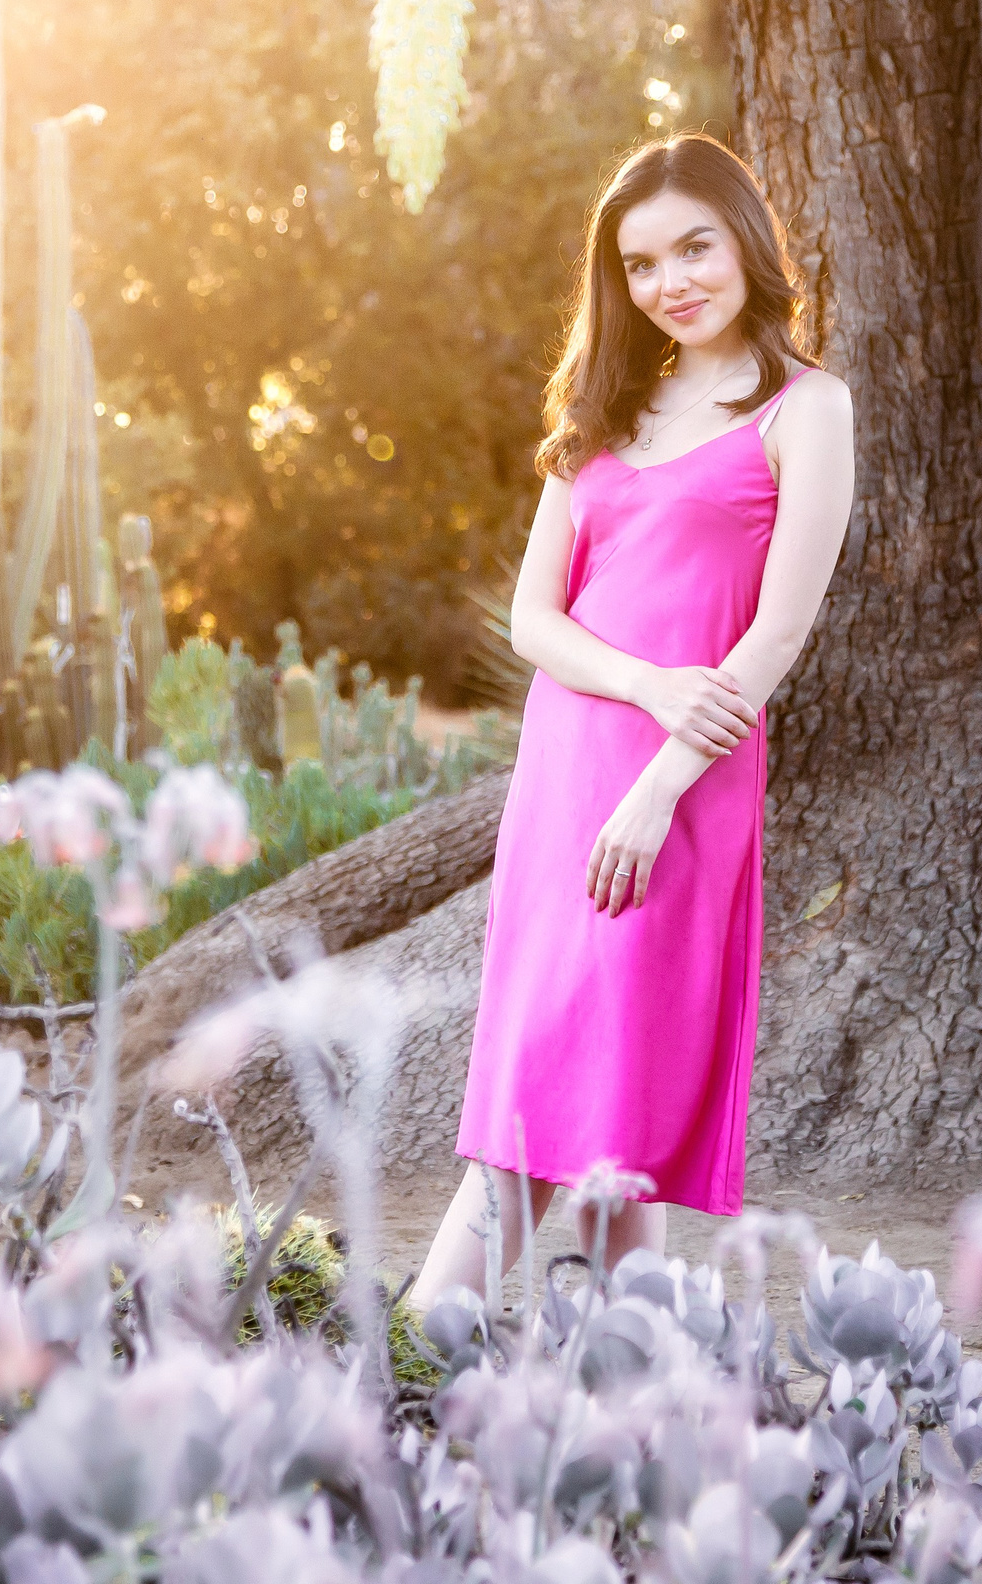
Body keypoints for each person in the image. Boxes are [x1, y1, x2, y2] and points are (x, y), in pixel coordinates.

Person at [405, 132, 857, 1310]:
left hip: (679, 788)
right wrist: (649, 683)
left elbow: (775, 638)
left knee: (594, 1110)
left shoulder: (807, 410)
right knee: (550, 1101)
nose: (674, 281)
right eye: (644, 264)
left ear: (746, 241)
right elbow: (530, 620)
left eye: (694, 246)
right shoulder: (604, 409)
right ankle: (609, 1394)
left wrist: (661, 779)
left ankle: (404, 1359)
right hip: (566, 776)